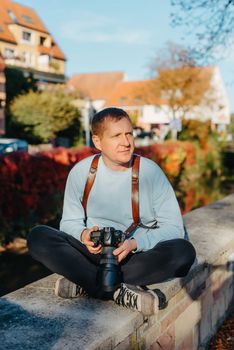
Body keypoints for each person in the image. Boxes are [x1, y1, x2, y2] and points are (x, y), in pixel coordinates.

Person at [27, 107, 196, 316]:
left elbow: (174, 228)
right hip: (92, 254)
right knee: (38, 236)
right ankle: (117, 290)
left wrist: (135, 243)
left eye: (129, 134)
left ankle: (88, 282)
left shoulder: (150, 172)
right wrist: (84, 235)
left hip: (134, 256)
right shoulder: (81, 173)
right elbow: (69, 222)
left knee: (184, 252)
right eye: (116, 135)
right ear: (97, 142)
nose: (126, 142)